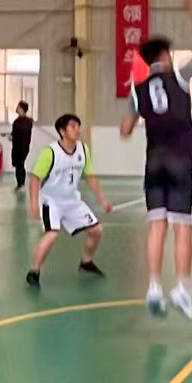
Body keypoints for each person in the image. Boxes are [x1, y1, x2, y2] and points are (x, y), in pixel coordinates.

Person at [120, 0, 192, 319]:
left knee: (156, 226)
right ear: (166, 56)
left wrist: (137, 108)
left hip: (154, 163)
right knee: (182, 226)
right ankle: (181, 287)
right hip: (181, 162)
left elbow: (125, 130)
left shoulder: (138, 88)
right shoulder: (180, 77)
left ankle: (154, 286)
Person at [25, 114, 114, 288]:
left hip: (72, 201)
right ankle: (33, 272)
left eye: (78, 126)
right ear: (62, 131)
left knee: (96, 230)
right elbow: (35, 178)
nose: (77, 129)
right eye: (72, 126)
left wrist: (103, 200)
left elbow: (90, 176)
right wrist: (34, 204)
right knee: (52, 234)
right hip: (51, 201)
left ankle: (86, 262)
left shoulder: (83, 150)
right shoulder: (51, 152)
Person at [7, 102, 35, 192]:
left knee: (20, 165)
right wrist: (11, 136)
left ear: (22, 109)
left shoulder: (24, 121)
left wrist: (12, 136)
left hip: (22, 147)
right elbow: (16, 133)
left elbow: (21, 134)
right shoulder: (19, 121)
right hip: (18, 146)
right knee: (19, 165)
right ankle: (20, 184)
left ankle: (21, 184)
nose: (16, 108)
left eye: (18, 107)